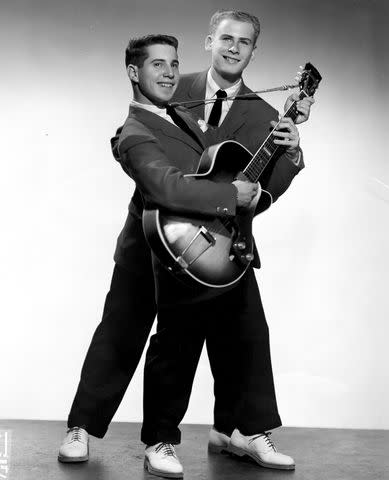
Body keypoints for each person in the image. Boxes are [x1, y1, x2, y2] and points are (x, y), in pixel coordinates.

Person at [58, 9, 313, 472]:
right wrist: (224, 194)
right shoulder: (174, 86)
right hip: (151, 235)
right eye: (226, 38)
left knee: (241, 334)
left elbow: (260, 190)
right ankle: (82, 426)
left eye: (245, 42)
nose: (234, 48)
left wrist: (292, 152)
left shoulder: (263, 112)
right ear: (209, 42)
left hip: (215, 242)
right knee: (121, 333)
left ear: (255, 51)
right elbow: (158, 164)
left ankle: (239, 429)